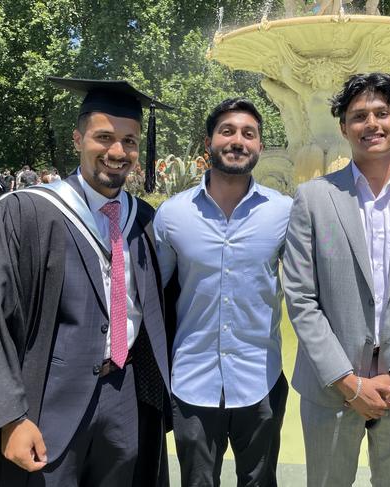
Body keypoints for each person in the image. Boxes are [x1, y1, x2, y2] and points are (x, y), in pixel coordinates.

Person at [0, 77, 173, 487]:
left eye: (129, 141)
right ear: (77, 138)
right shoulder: (26, 215)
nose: (117, 152)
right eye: (104, 137)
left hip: (124, 396)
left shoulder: (143, 220)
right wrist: (9, 416)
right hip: (45, 401)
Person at [282, 72, 390, 487]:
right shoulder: (314, 199)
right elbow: (301, 298)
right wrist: (348, 381)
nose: (371, 124)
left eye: (382, 113)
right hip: (331, 390)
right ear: (343, 127)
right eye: (359, 115)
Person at [154, 98, 291, 487]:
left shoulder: (283, 211)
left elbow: (308, 285)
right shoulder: (172, 215)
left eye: (249, 134)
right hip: (192, 383)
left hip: (260, 378)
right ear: (208, 142)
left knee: (261, 482)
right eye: (227, 131)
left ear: (260, 147)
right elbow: (155, 297)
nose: (238, 141)